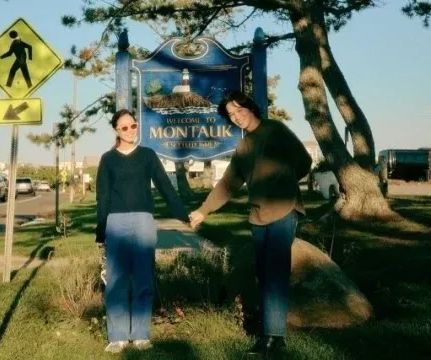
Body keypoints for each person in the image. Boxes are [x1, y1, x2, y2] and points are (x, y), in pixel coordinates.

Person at [189, 92, 312, 356]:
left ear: (249, 107)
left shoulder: (276, 130)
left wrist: (283, 184)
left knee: (275, 275)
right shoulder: (244, 147)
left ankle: (273, 337)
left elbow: (304, 161)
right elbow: (227, 184)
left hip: (283, 212)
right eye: (231, 116)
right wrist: (203, 211)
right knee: (264, 275)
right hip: (257, 217)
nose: (236, 117)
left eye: (238, 111)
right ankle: (270, 332)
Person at [96, 109, 190, 353]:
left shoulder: (147, 155)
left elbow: (165, 187)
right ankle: (117, 336)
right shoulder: (107, 159)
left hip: (144, 221)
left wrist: (182, 214)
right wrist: (100, 230)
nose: (130, 131)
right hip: (116, 222)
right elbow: (102, 197)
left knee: (143, 277)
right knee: (116, 280)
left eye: (133, 125)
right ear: (116, 130)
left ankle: (140, 334)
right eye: (124, 127)